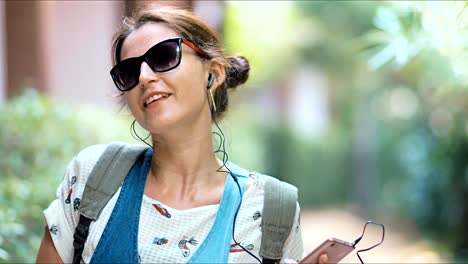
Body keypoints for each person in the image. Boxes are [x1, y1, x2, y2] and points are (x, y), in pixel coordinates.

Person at [36, 4, 326, 264]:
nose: (145, 76)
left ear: (212, 73)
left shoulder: (270, 210)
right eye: (129, 71)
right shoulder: (94, 177)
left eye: (163, 56)